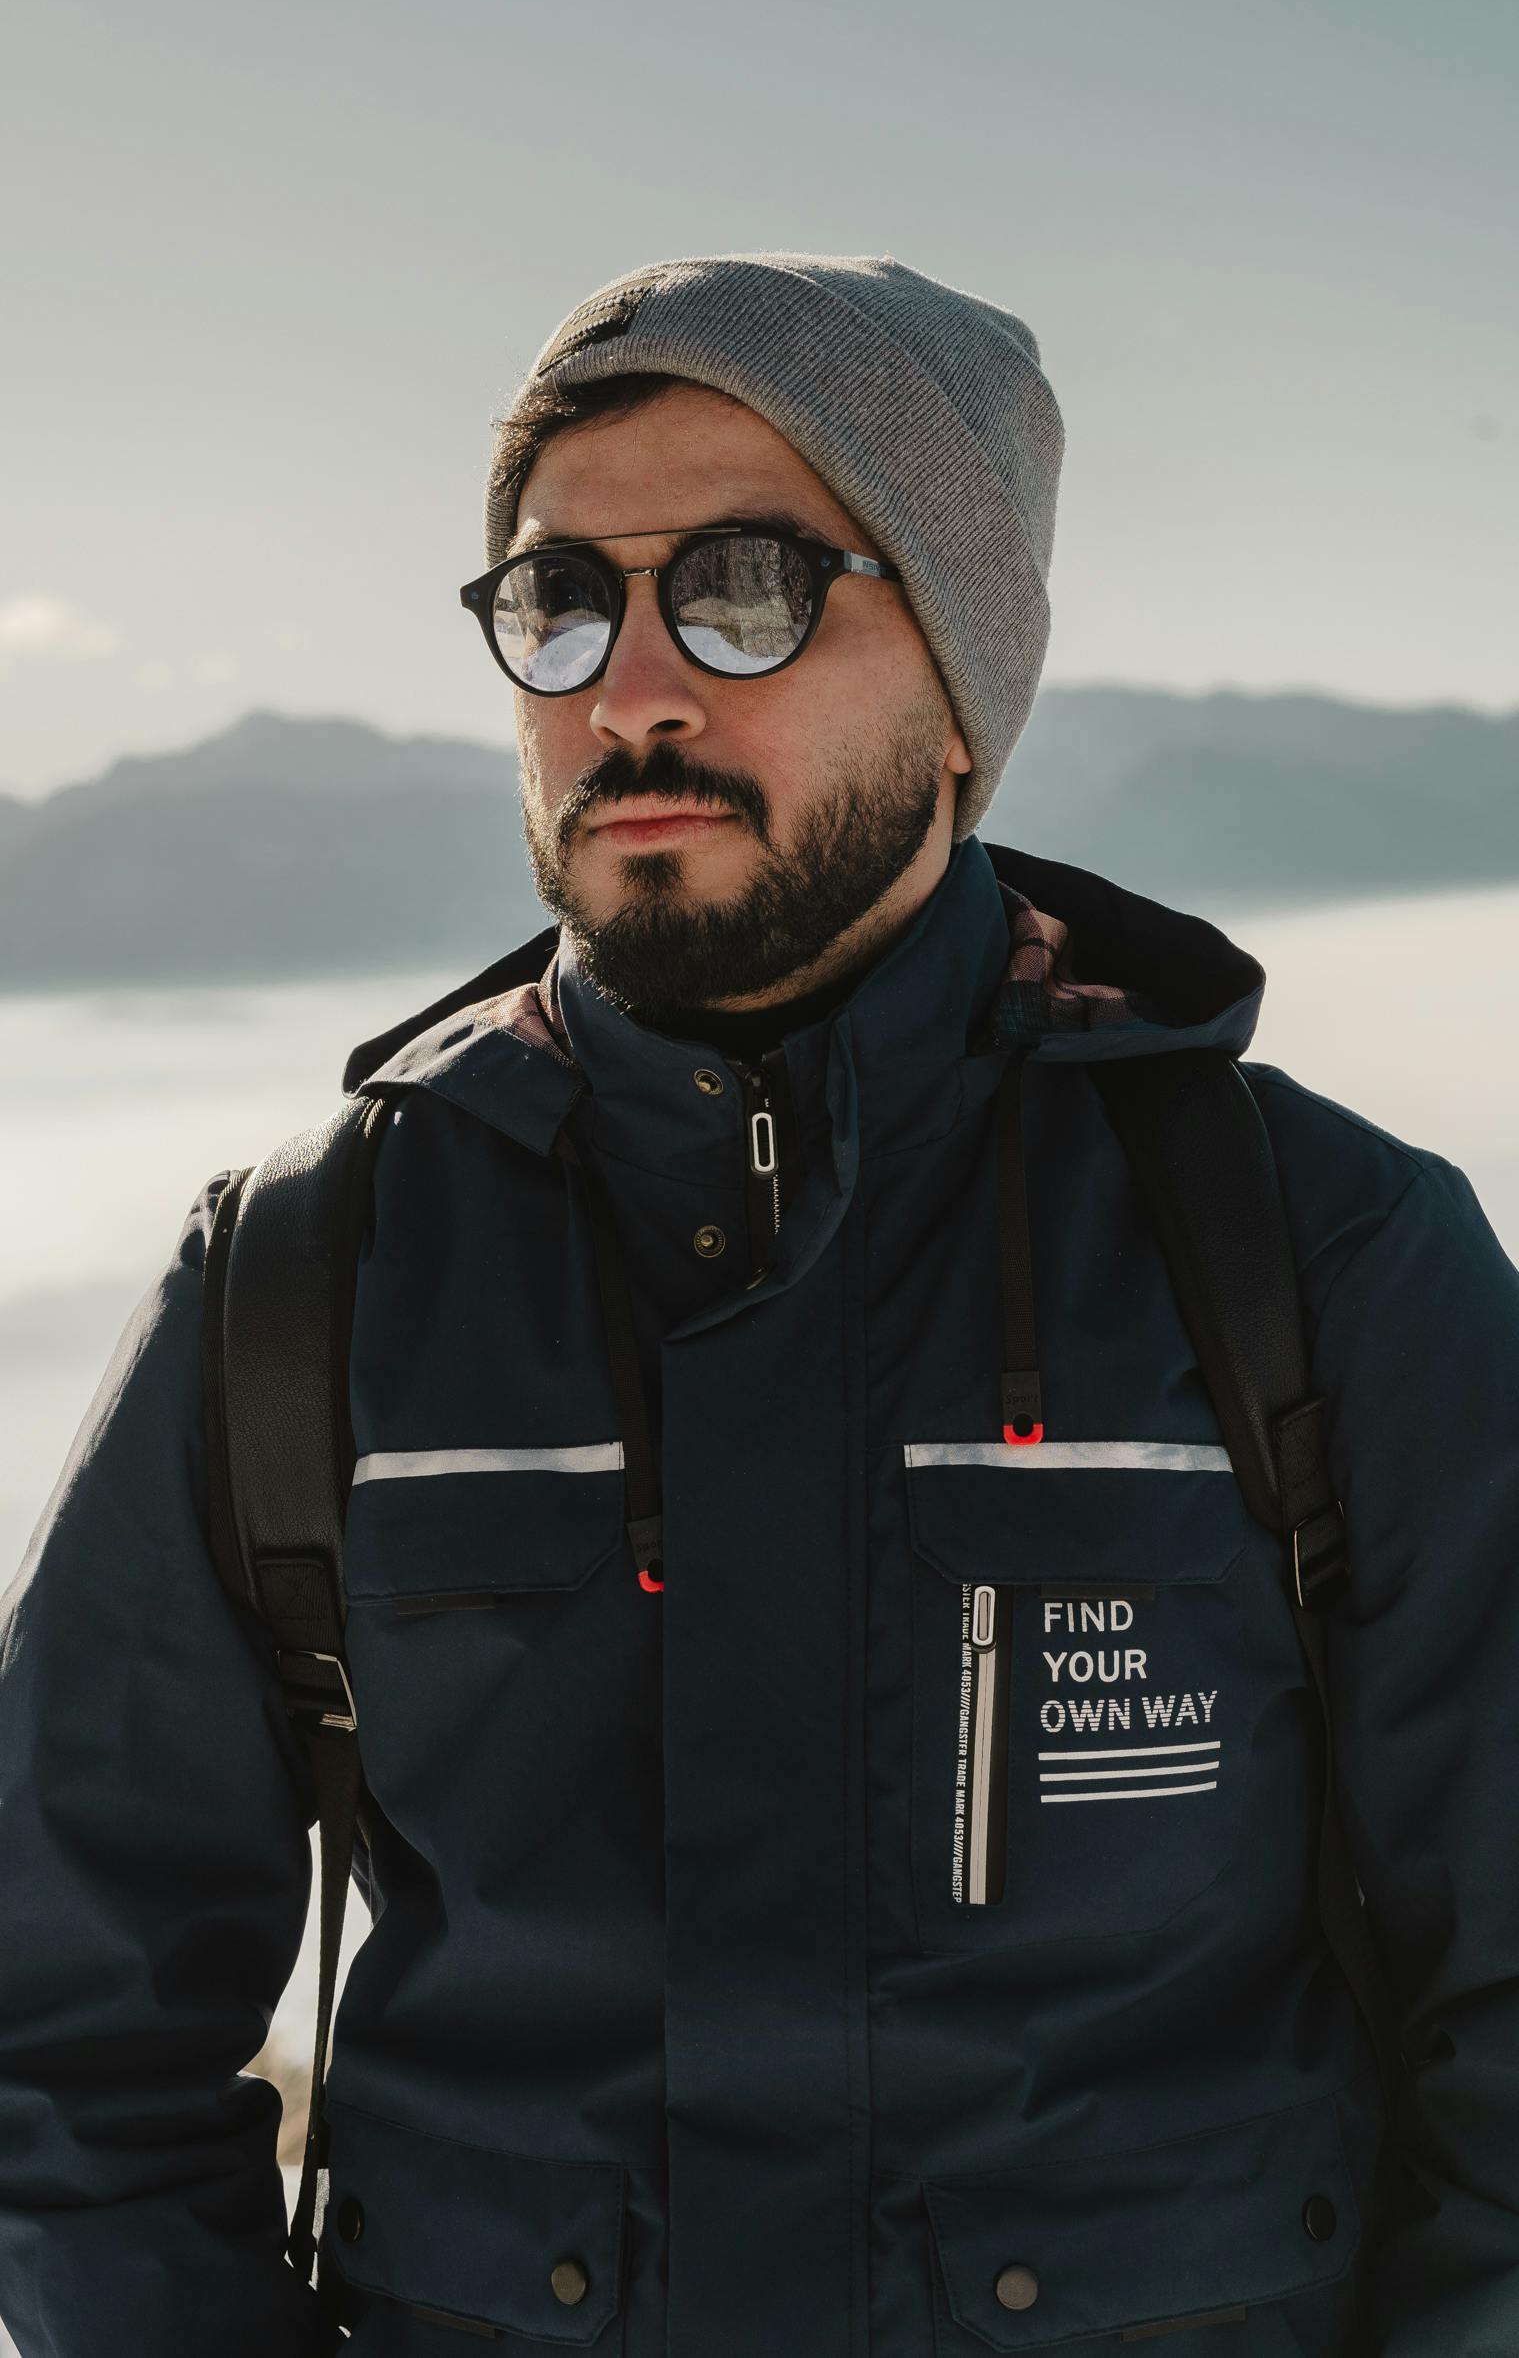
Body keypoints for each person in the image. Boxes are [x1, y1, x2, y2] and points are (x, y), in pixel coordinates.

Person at [1, 251, 1516, 2358]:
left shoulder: (1315, 1258)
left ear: (963, 675)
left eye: (744, 585)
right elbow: (64, 2046)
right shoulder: (303, 1279)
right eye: (560, 599)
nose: (632, 686)